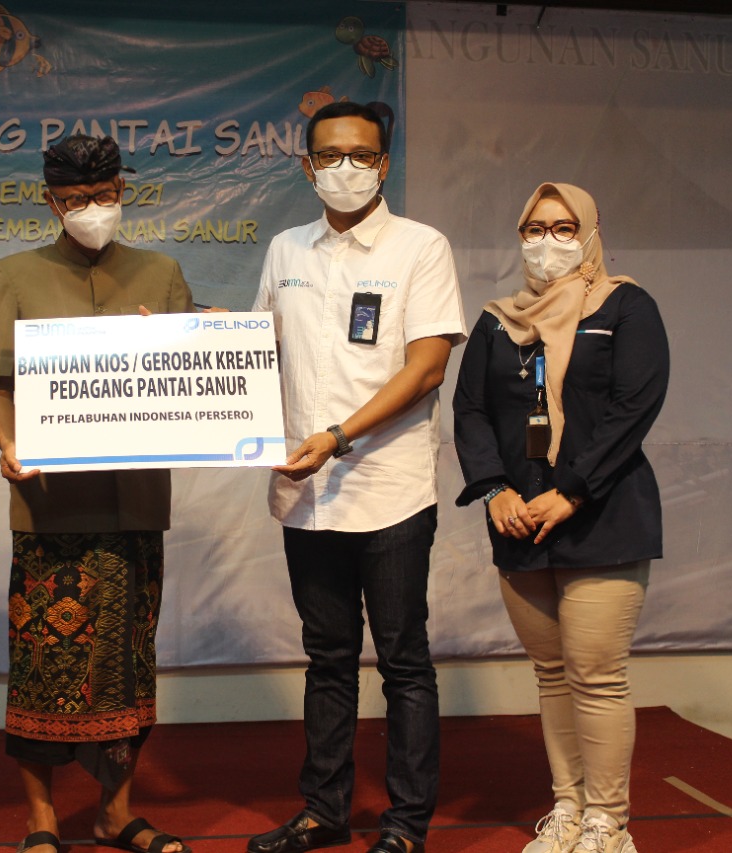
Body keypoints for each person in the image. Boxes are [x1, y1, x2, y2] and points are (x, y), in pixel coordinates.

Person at [246, 102, 466, 853]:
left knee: (403, 660)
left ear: (384, 164)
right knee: (327, 658)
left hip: (391, 489)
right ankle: (324, 809)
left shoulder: (420, 247)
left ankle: (405, 824)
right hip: (308, 497)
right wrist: (182, 338)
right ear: (306, 166)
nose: (345, 169)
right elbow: (257, 348)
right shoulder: (285, 249)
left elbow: (428, 365)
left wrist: (338, 435)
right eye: (329, 156)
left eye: (360, 155)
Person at [0, 134, 195, 853]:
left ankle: (116, 811)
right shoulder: (11, 275)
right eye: (74, 199)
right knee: (42, 664)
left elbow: (194, 387)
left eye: (102, 196)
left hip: (135, 503)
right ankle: (41, 819)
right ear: (51, 201)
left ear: (121, 194)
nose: (90, 210)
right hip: (49, 507)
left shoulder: (162, 274)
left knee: (130, 661)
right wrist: (8, 446)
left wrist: (172, 349)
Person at [452, 183, 669, 853]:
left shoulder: (626, 306)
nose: (548, 241)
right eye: (535, 228)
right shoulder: (498, 320)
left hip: (601, 514)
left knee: (596, 672)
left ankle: (609, 822)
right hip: (519, 519)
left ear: (591, 233)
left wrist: (572, 489)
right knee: (551, 674)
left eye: (564, 227)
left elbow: (636, 405)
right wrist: (494, 490)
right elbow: (470, 411)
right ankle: (568, 812)